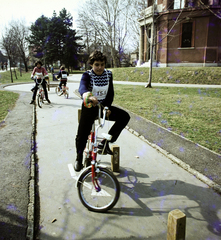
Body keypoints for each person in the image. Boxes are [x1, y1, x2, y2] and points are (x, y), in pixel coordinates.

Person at [74, 50, 130, 172]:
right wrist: (88, 95)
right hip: (89, 107)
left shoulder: (108, 75)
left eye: (102, 64)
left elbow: (110, 93)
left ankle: (104, 143)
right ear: (91, 65)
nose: (100, 67)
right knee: (82, 134)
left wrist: (107, 107)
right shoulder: (87, 75)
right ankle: (78, 158)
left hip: (103, 107)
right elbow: (82, 87)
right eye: (97, 65)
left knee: (124, 117)